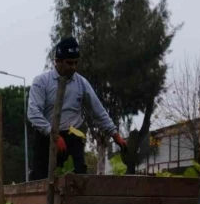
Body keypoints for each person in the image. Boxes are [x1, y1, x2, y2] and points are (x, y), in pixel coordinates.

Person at [27, 36, 127, 180]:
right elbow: (33, 113)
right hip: (46, 138)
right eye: (69, 63)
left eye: (76, 63)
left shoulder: (81, 83)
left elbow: (98, 111)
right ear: (57, 61)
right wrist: (53, 134)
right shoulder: (41, 82)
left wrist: (115, 135)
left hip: (72, 137)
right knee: (41, 179)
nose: (73, 67)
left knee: (79, 179)